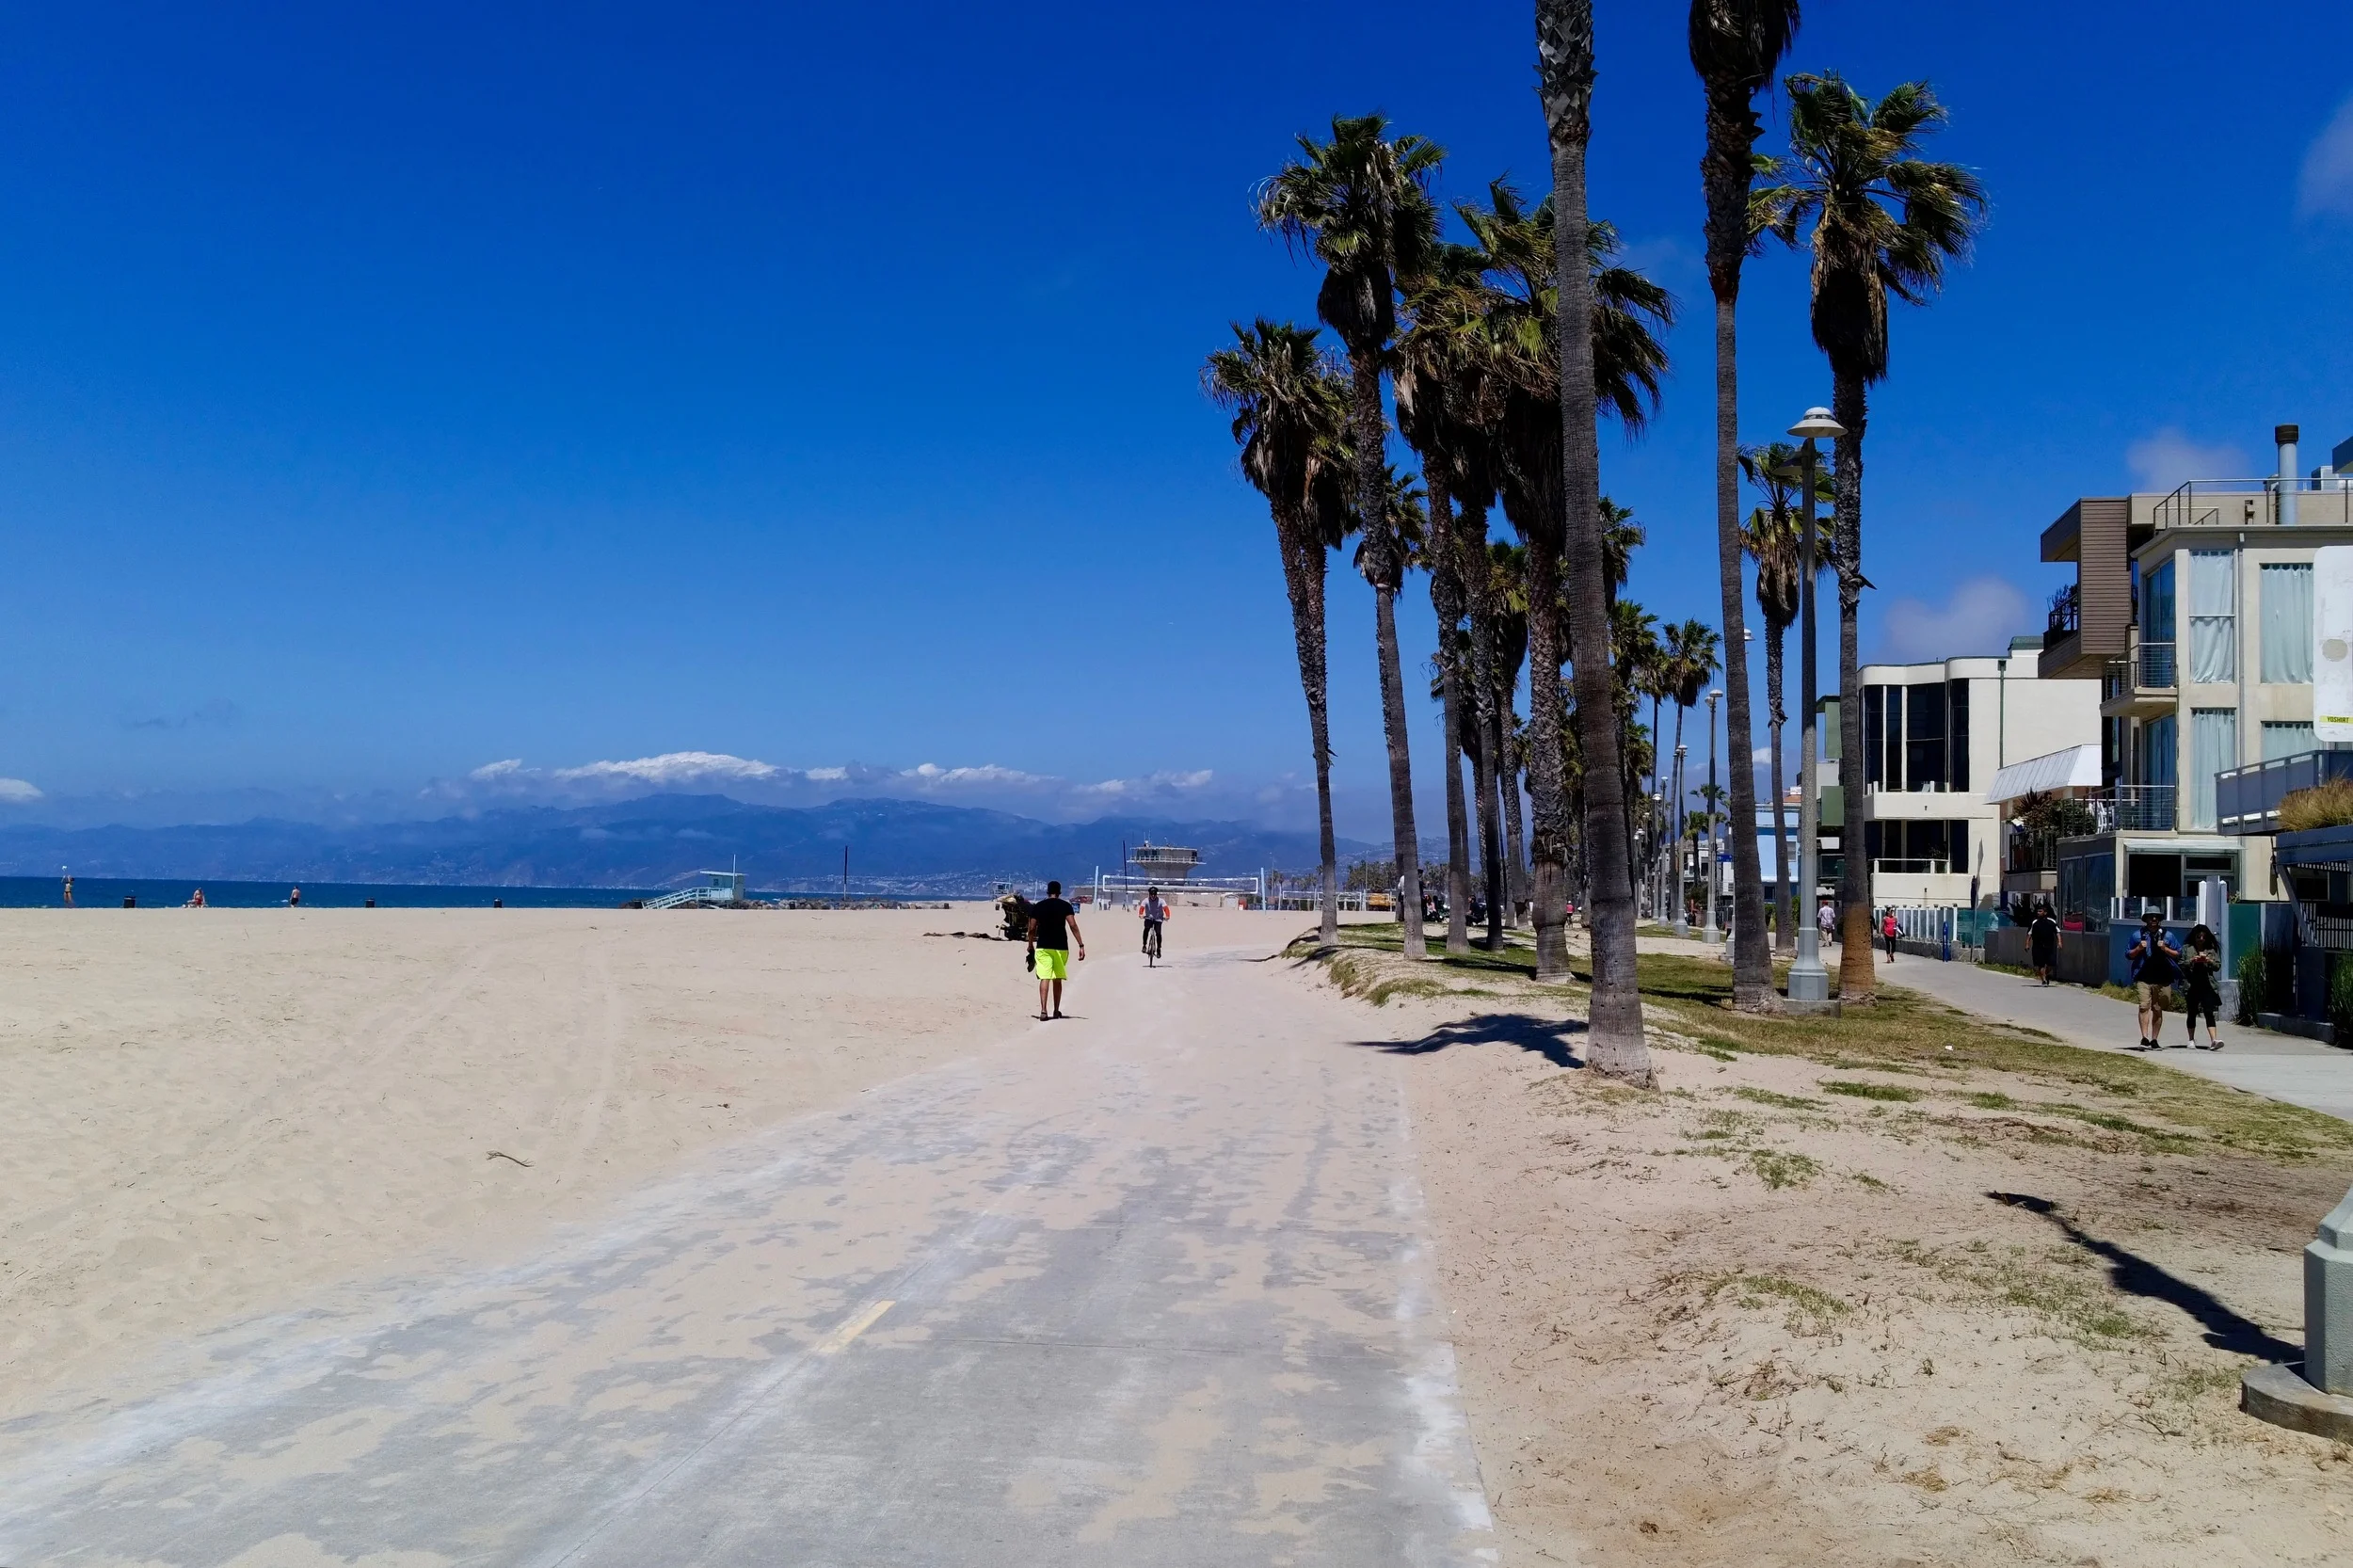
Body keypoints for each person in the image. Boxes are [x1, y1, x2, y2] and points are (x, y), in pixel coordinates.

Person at [1026, 879, 1084, 1020]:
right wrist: (1081, 945)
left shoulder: (1039, 906)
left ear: (1047, 891)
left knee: (1045, 977)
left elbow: (1031, 928)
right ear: (1059, 892)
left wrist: (1030, 945)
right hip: (1061, 947)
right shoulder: (1065, 906)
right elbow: (1072, 925)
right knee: (1057, 979)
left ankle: (1043, 1010)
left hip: (1043, 946)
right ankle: (1056, 1010)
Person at [2125, 910, 2181, 1051]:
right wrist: (2138, 948)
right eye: (2150, 917)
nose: (2153, 919)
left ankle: (2154, 1040)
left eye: (2156, 917)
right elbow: (2128, 954)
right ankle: (2145, 1038)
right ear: (2146, 919)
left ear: (2160, 919)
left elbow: (2178, 954)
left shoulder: (2168, 935)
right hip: (2143, 976)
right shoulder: (2137, 935)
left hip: (2162, 977)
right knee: (2144, 1006)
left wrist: (2165, 948)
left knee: (2158, 1008)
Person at [2180, 923, 2226, 1051]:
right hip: (2191, 984)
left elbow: (2217, 966)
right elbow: (2181, 964)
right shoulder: (2187, 948)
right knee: (2192, 1012)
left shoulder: (2211, 950)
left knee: (2209, 1012)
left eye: (2203, 937)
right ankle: (2191, 1039)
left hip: (2207, 984)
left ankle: (2213, 1040)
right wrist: (2192, 961)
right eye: (2198, 937)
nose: (2201, 939)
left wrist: (2209, 961)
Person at [2028, 903, 2061, 986]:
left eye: (2040, 911)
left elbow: (2057, 932)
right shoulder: (2035, 922)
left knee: (2051, 964)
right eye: (2038, 911)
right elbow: (2029, 934)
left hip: (2049, 946)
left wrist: (2060, 942)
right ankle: (2043, 980)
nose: (2038, 913)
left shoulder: (2052, 922)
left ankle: (2045, 975)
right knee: (2040, 964)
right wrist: (2027, 944)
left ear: (2045, 913)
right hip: (2038, 946)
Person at [1139, 886, 1169, 959]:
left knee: (1158, 934)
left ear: (1156, 894)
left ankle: (1158, 949)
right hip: (1149, 918)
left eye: (1154, 894)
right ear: (1149, 894)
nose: (1153, 896)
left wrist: (1167, 916)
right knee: (1146, 929)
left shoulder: (1161, 901)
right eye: (1151, 894)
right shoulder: (1145, 900)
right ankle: (1144, 945)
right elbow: (1142, 908)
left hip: (1158, 919)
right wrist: (1140, 914)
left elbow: (1166, 908)